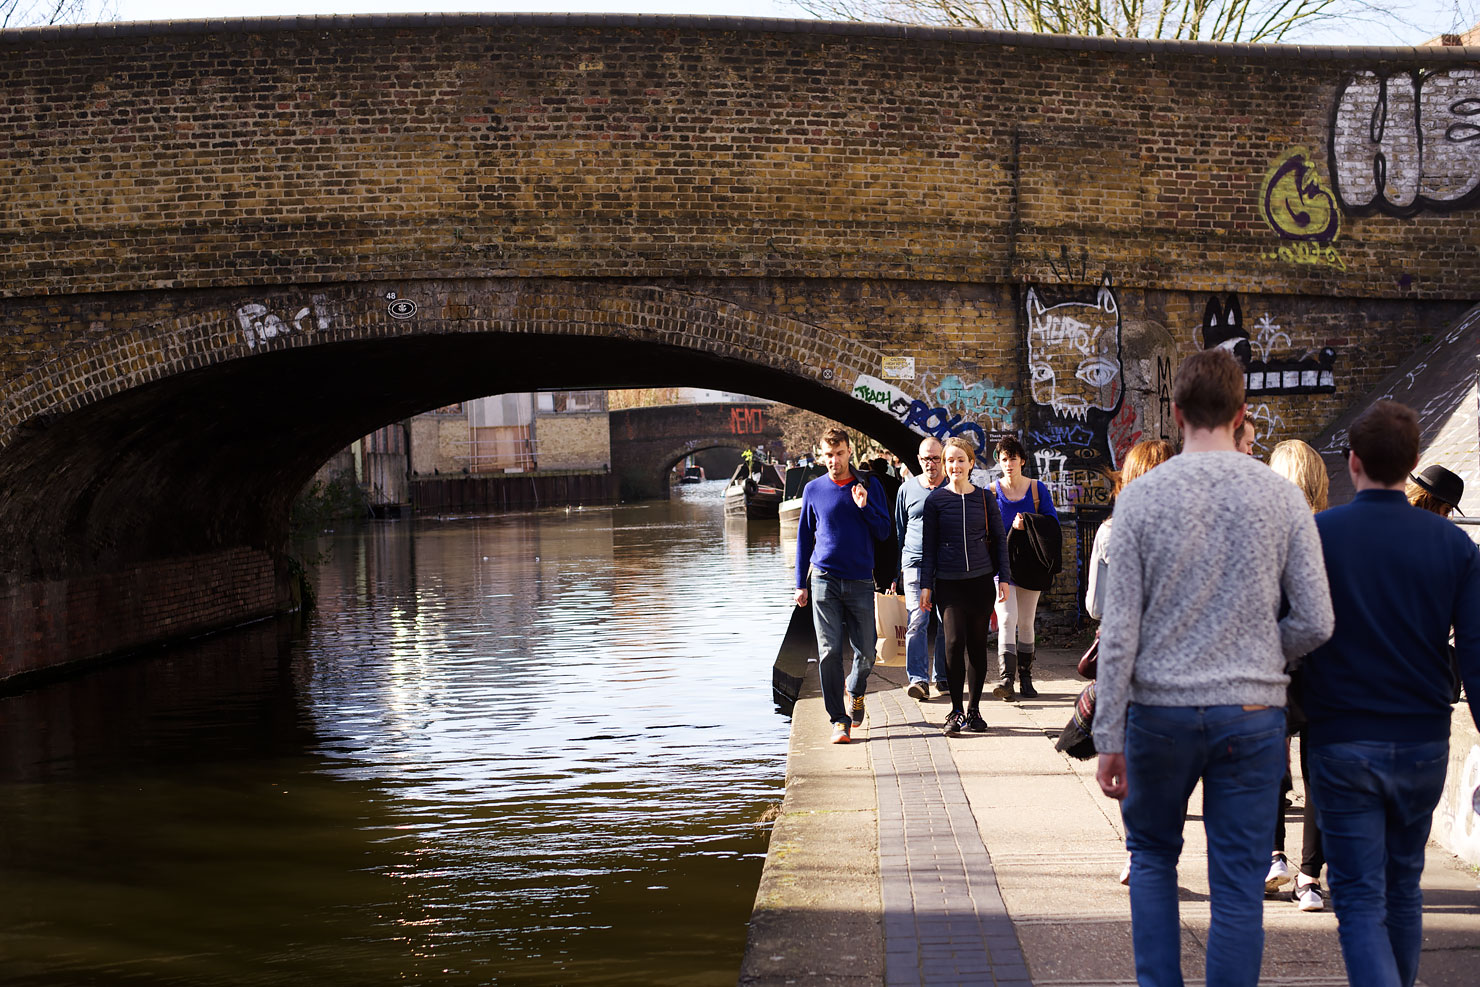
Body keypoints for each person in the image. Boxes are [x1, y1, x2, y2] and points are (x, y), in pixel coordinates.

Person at [1094, 348, 1334, 987]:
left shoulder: (1141, 502)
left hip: (1158, 713)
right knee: (1235, 879)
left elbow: (1119, 633)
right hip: (1252, 716)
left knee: (1150, 860)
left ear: (1175, 414)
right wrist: (1259, 654)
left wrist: (1108, 736)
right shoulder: (1281, 500)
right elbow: (1316, 619)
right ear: (1241, 412)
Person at [1303, 401, 1480, 987]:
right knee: (1404, 886)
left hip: (1342, 736)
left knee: (1356, 897)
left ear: (1351, 462)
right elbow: (1476, 656)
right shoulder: (1457, 548)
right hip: (1423, 739)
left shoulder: (1319, 534)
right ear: (1414, 463)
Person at [1264, 438, 1331, 911]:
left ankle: (1273, 858)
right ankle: (1310, 879)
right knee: (1320, 775)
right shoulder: (1332, 532)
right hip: (1327, 668)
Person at [794, 427, 892, 745]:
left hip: (861, 580)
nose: (834, 461)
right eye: (828, 455)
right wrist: (800, 583)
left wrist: (865, 507)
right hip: (823, 579)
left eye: (839, 454)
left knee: (865, 652)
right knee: (828, 652)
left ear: (849, 452)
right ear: (821, 456)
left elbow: (884, 532)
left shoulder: (869, 484)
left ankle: (856, 688)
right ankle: (839, 720)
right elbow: (804, 538)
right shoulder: (813, 490)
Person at [918, 437, 1011, 735]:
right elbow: (928, 547)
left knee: (977, 647)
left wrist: (1004, 578)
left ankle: (974, 710)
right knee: (954, 643)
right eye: (949, 461)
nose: (955, 466)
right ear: (944, 466)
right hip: (949, 583)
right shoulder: (935, 501)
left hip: (981, 582)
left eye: (960, 460)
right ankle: (956, 710)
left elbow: (999, 540)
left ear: (972, 463)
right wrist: (925, 585)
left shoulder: (984, 499)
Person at [991, 435, 1058, 699]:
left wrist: (1027, 522)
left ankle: (1026, 678)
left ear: (1022, 461)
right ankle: (1006, 680)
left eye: (1013, 459)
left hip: (1031, 563)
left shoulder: (1036, 489)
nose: (1008, 464)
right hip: (1002, 565)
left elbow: (1052, 522)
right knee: (1007, 618)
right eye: (1004, 459)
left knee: (1027, 621)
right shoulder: (991, 491)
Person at [894, 437, 950, 700]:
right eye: (926, 458)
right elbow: (900, 530)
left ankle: (943, 676)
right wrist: (896, 571)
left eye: (936, 458)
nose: (931, 463)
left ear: (943, 458)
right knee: (918, 619)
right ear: (918, 460)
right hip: (915, 563)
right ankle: (918, 680)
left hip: (947, 565)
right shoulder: (906, 490)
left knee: (945, 622)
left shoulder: (953, 487)